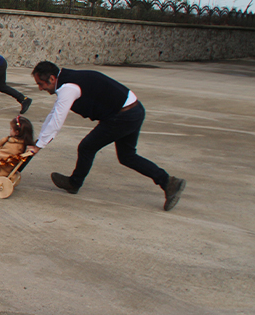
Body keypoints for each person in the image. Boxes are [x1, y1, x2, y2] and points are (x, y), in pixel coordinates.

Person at [27, 61, 186, 211]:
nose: (40, 88)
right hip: (134, 110)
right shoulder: (69, 80)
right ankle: (169, 182)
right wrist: (39, 140)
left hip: (124, 116)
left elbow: (57, 120)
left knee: (87, 147)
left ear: (52, 78)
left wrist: (39, 146)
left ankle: (74, 183)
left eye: (41, 84)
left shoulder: (68, 88)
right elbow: (54, 113)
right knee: (127, 156)